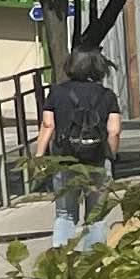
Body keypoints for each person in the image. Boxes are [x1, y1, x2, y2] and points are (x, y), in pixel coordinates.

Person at [45, 44, 123, 249]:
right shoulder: (107, 95)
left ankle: (62, 259)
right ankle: (92, 260)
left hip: (65, 160)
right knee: (96, 216)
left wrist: (39, 155)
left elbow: (48, 125)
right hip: (97, 160)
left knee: (65, 214)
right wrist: (111, 156)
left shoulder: (56, 93)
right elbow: (114, 131)